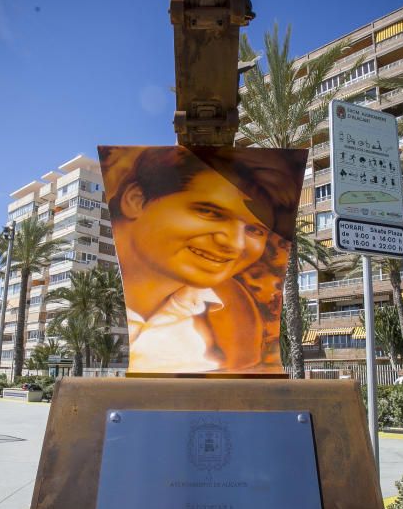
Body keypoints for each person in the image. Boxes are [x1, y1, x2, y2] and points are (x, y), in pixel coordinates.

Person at [100, 145, 305, 373]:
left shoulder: (239, 318)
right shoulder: (96, 308)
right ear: (136, 200)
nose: (235, 244)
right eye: (210, 212)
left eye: (255, 230)